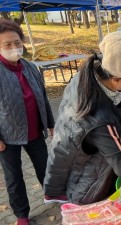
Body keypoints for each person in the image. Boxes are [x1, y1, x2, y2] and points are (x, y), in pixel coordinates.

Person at [44, 32, 121, 205]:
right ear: (116, 80)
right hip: (89, 185)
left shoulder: (89, 76)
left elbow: (93, 126)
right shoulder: (99, 118)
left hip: (76, 164)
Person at [0, 19, 54, 225]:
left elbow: (43, 96)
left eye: (17, 43)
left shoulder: (31, 68)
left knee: (45, 167)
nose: (14, 48)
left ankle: (53, 194)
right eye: (7, 44)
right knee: (14, 178)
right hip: (8, 136)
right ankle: (22, 215)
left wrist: (50, 122)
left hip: (34, 130)